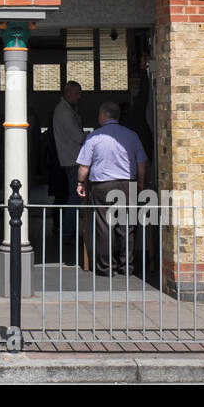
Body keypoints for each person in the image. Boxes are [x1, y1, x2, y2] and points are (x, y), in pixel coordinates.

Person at [76, 100, 148, 277]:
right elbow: (141, 163)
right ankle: (127, 267)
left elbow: (84, 166)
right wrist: (140, 184)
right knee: (126, 228)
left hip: (102, 186)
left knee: (104, 226)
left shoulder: (94, 137)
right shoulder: (132, 135)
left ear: (102, 116)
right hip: (126, 185)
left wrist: (80, 183)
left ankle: (106, 268)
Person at [51, 81, 86, 246]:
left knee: (73, 196)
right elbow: (78, 137)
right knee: (75, 197)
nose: (80, 97)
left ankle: (68, 229)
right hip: (72, 159)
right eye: (78, 93)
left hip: (70, 158)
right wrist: (89, 136)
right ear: (69, 93)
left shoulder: (67, 110)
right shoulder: (64, 112)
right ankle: (67, 230)